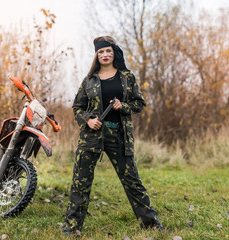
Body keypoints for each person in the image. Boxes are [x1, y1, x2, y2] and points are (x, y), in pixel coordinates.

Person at [63, 36, 163, 236]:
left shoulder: (126, 77)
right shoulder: (89, 80)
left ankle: (152, 225)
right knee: (80, 182)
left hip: (118, 135)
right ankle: (72, 228)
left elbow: (139, 103)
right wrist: (88, 120)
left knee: (132, 180)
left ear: (114, 52)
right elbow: (77, 107)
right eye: (101, 52)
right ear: (96, 55)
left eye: (108, 51)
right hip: (91, 137)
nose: (105, 55)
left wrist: (122, 106)